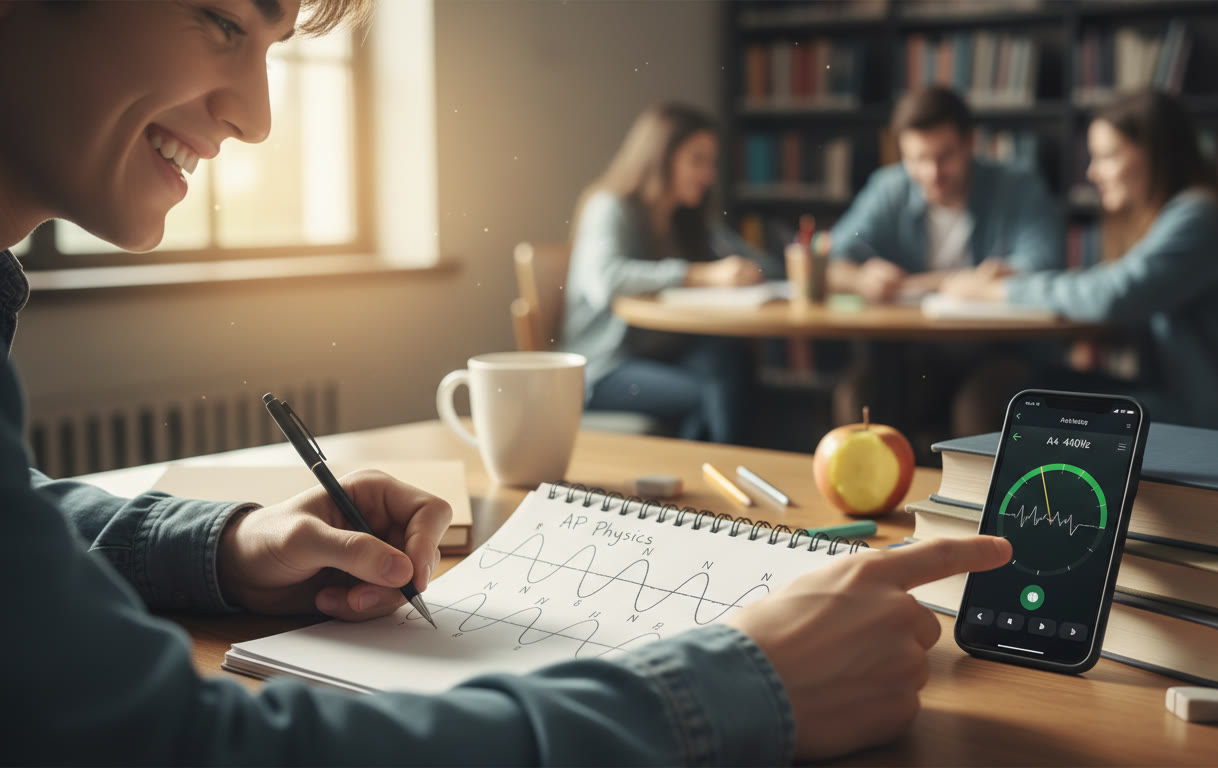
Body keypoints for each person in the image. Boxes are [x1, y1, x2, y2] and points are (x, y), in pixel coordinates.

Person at [0, 2, 1013, 764]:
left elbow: (21, 520)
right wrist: (723, 691)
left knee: (710, 367)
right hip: (627, 371)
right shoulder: (622, 207)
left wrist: (223, 543)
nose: (260, 117)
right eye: (225, 19)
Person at [942, 90, 1218, 435]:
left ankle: (995, 488)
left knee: (997, 394)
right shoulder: (1187, 213)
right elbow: (1117, 286)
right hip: (1195, 401)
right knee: (1005, 380)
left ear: (1156, 154)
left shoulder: (1200, 216)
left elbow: (1114, 294)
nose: (1092, 173)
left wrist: (1002, 290)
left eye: (1107, 156)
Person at [561, 103, 777, 445]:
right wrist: (702, 275)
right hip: (605, 369)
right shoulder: (609, 207)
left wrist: (758, 268)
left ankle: (733, 469)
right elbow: (607, 280)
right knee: (709, 395)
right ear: (660, 157)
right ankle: (709, 481)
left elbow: (759, 261)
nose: (708, 176)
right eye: (697, 160)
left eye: (711, 163)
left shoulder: (687, 220)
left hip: (661, 356)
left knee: (731, 361)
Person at [827, 86, 1064, 303]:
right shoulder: (889, 188)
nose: (932, 172)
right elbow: (831, 256)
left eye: (945, 156)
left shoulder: (1018, 187)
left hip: (1001, 343)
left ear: (970, 143)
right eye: (918, 159)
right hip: (909, 342)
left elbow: (1044, 264)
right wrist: (859, 278)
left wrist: (908, 284)